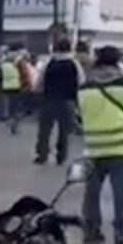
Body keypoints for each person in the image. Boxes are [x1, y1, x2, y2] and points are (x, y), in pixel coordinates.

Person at [78, 45, 123, 244]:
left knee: (92, 192)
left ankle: (91, 230)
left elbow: (78, 116)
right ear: (117, 62)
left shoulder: (84, 87)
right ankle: (122, 232)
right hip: (122, 146)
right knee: (122, 191)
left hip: (94, 146)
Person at [35, 37, 81, 165]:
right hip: (67, 100)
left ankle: (42, 154)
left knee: (44, 130)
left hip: (49, 99)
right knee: (64, 131)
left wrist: (38, 92)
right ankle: (61, 155)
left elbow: (40, 80)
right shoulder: (74, 64)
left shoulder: (49, 63)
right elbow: (81, 81)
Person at [0, 50, 24, 133]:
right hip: (16, 86)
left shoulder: (3, 66)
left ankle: (8, 119)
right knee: (16, 106)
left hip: (5, 86)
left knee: (8, 104)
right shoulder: (17, 65)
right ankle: (15, 124)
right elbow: (23, 75)